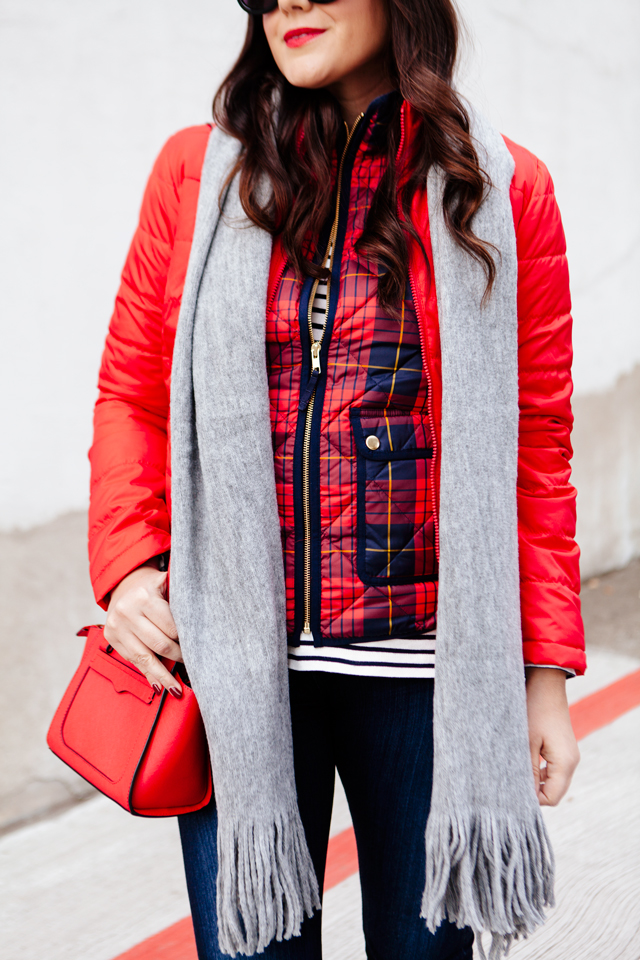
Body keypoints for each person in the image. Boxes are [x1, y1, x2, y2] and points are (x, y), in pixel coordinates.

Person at [89, 0, 585, 958]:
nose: (291, 3)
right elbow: (133, 396)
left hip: (431, 683)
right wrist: (129, 565)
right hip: (239, 673)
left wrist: (544, 675)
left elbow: (536, 441)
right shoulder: (197, 175)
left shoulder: (503, 188)